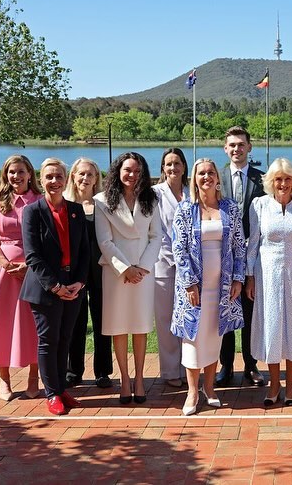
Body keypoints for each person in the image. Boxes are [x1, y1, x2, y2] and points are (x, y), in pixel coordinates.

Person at [171, 159, 245, 415]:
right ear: (194, 178)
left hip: (222, 287)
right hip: (193, 288)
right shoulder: (185, 209)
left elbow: (238, 246)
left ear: (217, 177)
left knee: (214, 336)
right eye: (201, 173)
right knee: (193, 337)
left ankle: (210, 388)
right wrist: (190, 283)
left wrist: (238, 278)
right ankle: (192, 391)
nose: (206, 177)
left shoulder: (230, 208)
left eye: (210, 172)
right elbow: (178, 249)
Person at [246, 158, 292, 406]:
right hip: (267, 275)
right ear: (271, 181)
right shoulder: (259, 205)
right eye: (279, 179)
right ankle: (274, 384)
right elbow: (253, 244)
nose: (284, 184)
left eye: (288, 179)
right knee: (273, 327)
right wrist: (249, 277)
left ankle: (290, 386)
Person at [20, 158, 90, 415]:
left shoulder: (75, 210)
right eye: (49, 177)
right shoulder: (32, 212)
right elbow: (32, 256)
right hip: (45, 289)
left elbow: (84, 251)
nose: (54, 181)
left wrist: (79, 282)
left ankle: (61, 388)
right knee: (48, 341)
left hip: (73, 287)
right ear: (41, 179)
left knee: (65, 339)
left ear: (66, 179)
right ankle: (51, 393)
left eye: (59, 176)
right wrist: (56, 286)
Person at [94, 152, 161, 404]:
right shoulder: (102, 201)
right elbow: (104, 241)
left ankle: (140, 379)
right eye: (127, 170)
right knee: (119, 327)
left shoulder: (151, 199)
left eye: (136, 170)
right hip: (115, 273)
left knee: (140, 326)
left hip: (143, 273)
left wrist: (142, 267)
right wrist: (126, 269)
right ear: (118, 171)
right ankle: (124, 379)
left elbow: (157, 236)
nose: (132, 175)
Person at [0, 155, 41, 401]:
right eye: (12, 172)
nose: (16, 176)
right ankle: (3, 380)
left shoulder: (39, 200)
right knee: (2, 323)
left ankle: (34, 377)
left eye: (21, 171)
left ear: (30, 174)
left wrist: (30, 264)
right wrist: (5, 263)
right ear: (6, 174)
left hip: (34, 269)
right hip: (3, 271)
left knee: (35, 324)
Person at [217, 126, 266, 388]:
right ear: (226, 149)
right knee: (225, 312)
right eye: (232, 145)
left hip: (253, 257)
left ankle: (251, 365)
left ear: (249, 147)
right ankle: (226, 366)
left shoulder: (263, 180)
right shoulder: (216, 178)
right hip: (223, 257)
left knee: (250, 312)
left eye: (241, 144)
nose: (237, 149)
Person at [64, 158, 113, 389]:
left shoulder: (103, 204)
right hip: (74, 273)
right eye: (81, 173)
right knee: (76, 321)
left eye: (90, 174)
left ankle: (103, 371)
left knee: (103, 321)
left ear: (97, 178)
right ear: (73, 176)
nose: (85, 178)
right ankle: (74, 371)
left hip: (101, 270)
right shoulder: (64, 203)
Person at [153, 148, 190, 388]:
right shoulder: (154, 194)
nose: (173, 168)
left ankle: (190, 368)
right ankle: (170, 371)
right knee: (166, 318)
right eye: (168, 164)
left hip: (191, 266)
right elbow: (156, 231)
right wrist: (175, 258)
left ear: (184, 166)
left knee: (188, 317)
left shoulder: (192, 193)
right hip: (163, 264)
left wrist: (187, 260)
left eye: (177, 163)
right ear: (163, 168)